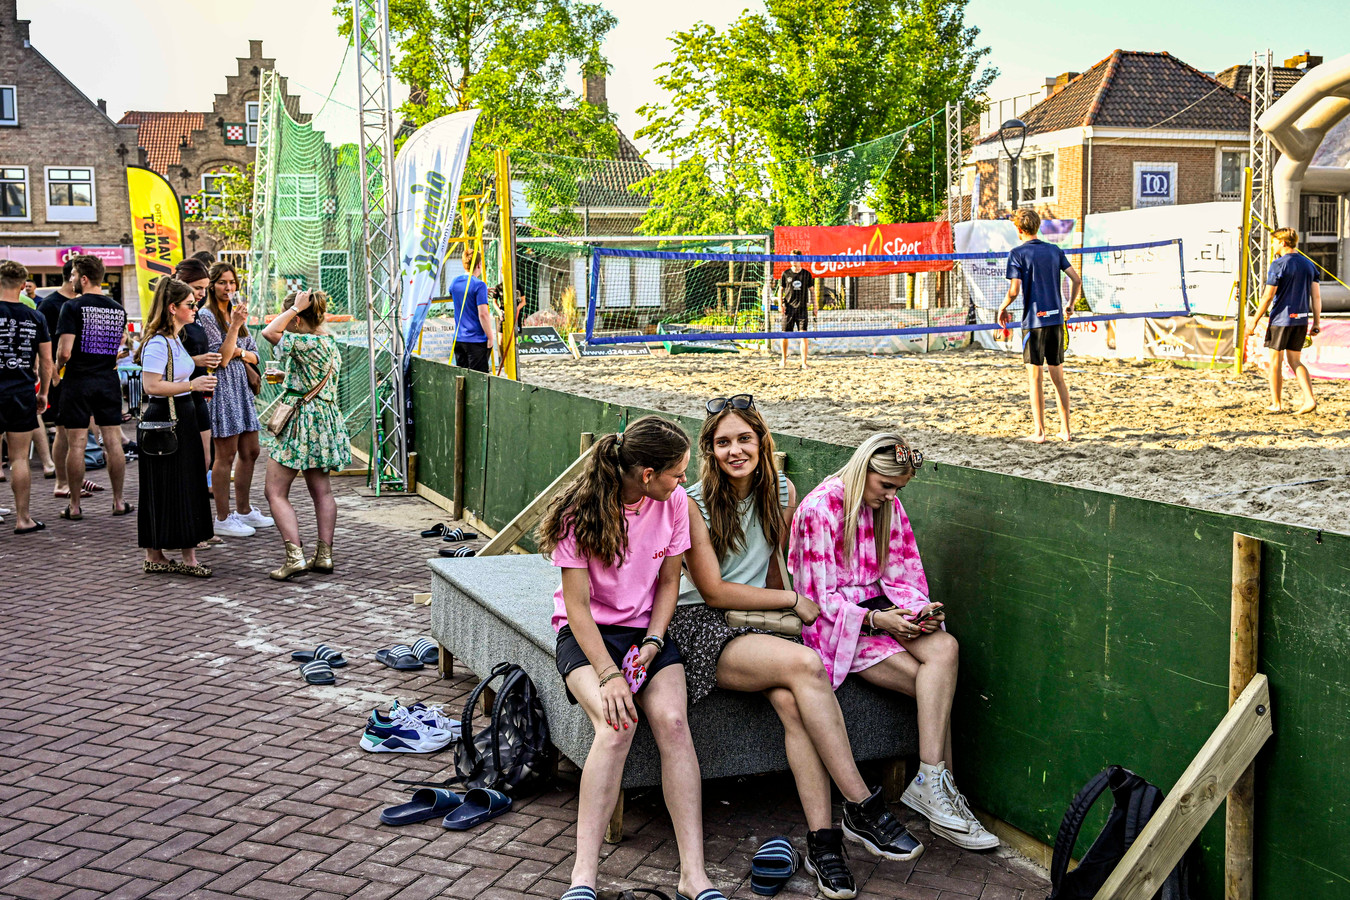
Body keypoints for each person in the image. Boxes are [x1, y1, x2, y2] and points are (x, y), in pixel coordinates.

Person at [671, 396, 925, 899]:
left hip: (755, 623)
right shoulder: (692, 502)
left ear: (762, 442)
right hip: (699, 624)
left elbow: (770, 567)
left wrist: (785, 610)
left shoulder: (783, 491)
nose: (735, 450)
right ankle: (861, 803)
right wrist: (795, 601)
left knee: (792, 703)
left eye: (744, 439)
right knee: (806, 665)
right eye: (723, 442)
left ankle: (824, 844)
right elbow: (716, 591)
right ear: (710, 449)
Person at [536, 416, 726, 900]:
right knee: (617, 726)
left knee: (673, 723)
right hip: (589, 637)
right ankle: (583, 878)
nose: (683, 481)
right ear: (646, 474)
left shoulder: (676, 504)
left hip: (647, 634)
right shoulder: (577, 512)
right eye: (677, 473)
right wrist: (607, 674)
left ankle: (694, 876)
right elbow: (576, 609)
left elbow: (668, 584)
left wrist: (654, 643)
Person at [790, 434, 998, 853]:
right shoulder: (817, 509)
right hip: (840, 626)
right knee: (932, 682)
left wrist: (917, 612)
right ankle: (945, 802)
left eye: (898, 489)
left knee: (946, 649)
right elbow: (815, 601)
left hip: (883, 612)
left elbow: (905, 573)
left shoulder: (887, 506)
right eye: (886, 486)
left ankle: (931, 781)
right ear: (864, 470)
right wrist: (872, 619)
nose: (891, 497)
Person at [260, 290, 350, 580]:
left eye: (289, 319)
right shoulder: (329, 342)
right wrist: (289, 378)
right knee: (322, 491)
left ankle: (295, 557)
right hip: (325, 419)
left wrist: (293, 308)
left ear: (296, 320)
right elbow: (318, 380)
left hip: (301, 419)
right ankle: (323, 556)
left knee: (274, 491)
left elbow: (268, 331)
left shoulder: (301, 340)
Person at [136, 277, 217, 576]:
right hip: (168, 417)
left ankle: (159, 554)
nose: (195, 308)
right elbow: (151, 385)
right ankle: (183, 557)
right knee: (175, 483)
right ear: (173, 308)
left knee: (182, 482)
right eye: (190, 305)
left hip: (181, 414)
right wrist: (192, 384)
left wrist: (195, 369)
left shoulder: (174, 340)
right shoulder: (158, 342)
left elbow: (170, 373)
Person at [198, 261, 272, 536]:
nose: (228, 288)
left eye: (231, 282)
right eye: (222, 282)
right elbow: (222, 358)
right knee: (225, 454)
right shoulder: (206, 316)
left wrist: (239, 346)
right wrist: (235, 331)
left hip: (241, 388)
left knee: (251, 450)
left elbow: (255, 354)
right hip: (223, 389)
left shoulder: (234, 313)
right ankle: (222, 517)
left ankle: (244, 510)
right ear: (212, 285)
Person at [997, 208, 1083, 443]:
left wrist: (1002, 308)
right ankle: (1065, 431)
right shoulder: (1054, 250)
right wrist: (1070, 304)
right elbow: (1076, 279)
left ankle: (1039, 432)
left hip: (1034, 323)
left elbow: (1014, 291)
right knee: (1058, 378)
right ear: (1037, 227)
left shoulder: (1017, 253)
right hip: (1055, 320)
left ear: (1018, 229)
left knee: (1035, 378)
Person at [54, 255, 130, 519]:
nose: (72, 280)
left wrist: (56, 370)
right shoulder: (117, 309)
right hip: (107, 380)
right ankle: (119, 501)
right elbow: (120, 344)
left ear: (84, 278)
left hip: (78, 380)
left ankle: (74, 506)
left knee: (76, 444)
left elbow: (65, 352)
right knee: (112, 440)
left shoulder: (72, 307)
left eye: (74, 275)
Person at [0, 261, 54, 534]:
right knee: (19, 457)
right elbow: (47, 361)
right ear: (23, 286)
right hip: (20, 391)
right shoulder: (36, 317)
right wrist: (43, 392)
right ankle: (23, 518)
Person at [1252, 227, 1321, 414]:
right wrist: (1316, 322)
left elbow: (1267, 297)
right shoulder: (1309, 265)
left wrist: (1254, 321)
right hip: (1301, 320)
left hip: (1281, 320)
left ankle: (1276, 404)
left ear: (1283, 242)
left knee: (1275, 362)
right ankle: (1309, 399)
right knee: (1295, 361)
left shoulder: (1278, 264)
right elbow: (1316, 298)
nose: (1272, 244)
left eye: (1274, 241)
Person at [172, 259, 221, 486]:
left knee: (206, 457)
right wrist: (196, 360)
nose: (202, 293)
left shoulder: (197, 314)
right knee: (185, 457)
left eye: (205, 287)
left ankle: (195, 506)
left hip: (200, 393)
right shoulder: (172, 318)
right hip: (179, 396)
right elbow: (159, 364)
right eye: (198, 287)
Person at [38, 259, 79, 495]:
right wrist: (53, 376)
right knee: (64, 431)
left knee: (78, 434)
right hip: (61, 378)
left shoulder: (82, 303)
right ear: (73, 276)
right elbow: (44, 346)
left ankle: (73, 481)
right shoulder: (49, 305)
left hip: (82, 378)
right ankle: (62, 483)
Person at [449, 247, 494, 373]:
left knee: (462, 379)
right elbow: (483, 315)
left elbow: (461, 294)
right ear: (479, 264)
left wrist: (483, 292)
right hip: (476, 340)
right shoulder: (479, 285)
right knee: (479, 380)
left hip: (459, 339)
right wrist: (490, 337)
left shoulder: (455, 282)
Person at [778, 249, 816, 369]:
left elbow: (812, 291)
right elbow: (780, 290)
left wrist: (815, 306)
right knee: (784, 335)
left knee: (804, 336)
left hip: (802, 309)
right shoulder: (785, 274)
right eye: (792, 258)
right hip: (788, 309)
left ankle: (804, 363)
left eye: (795, 258)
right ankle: (783, 360)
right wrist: (780, 305)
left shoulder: (806, 274)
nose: (793, 260)